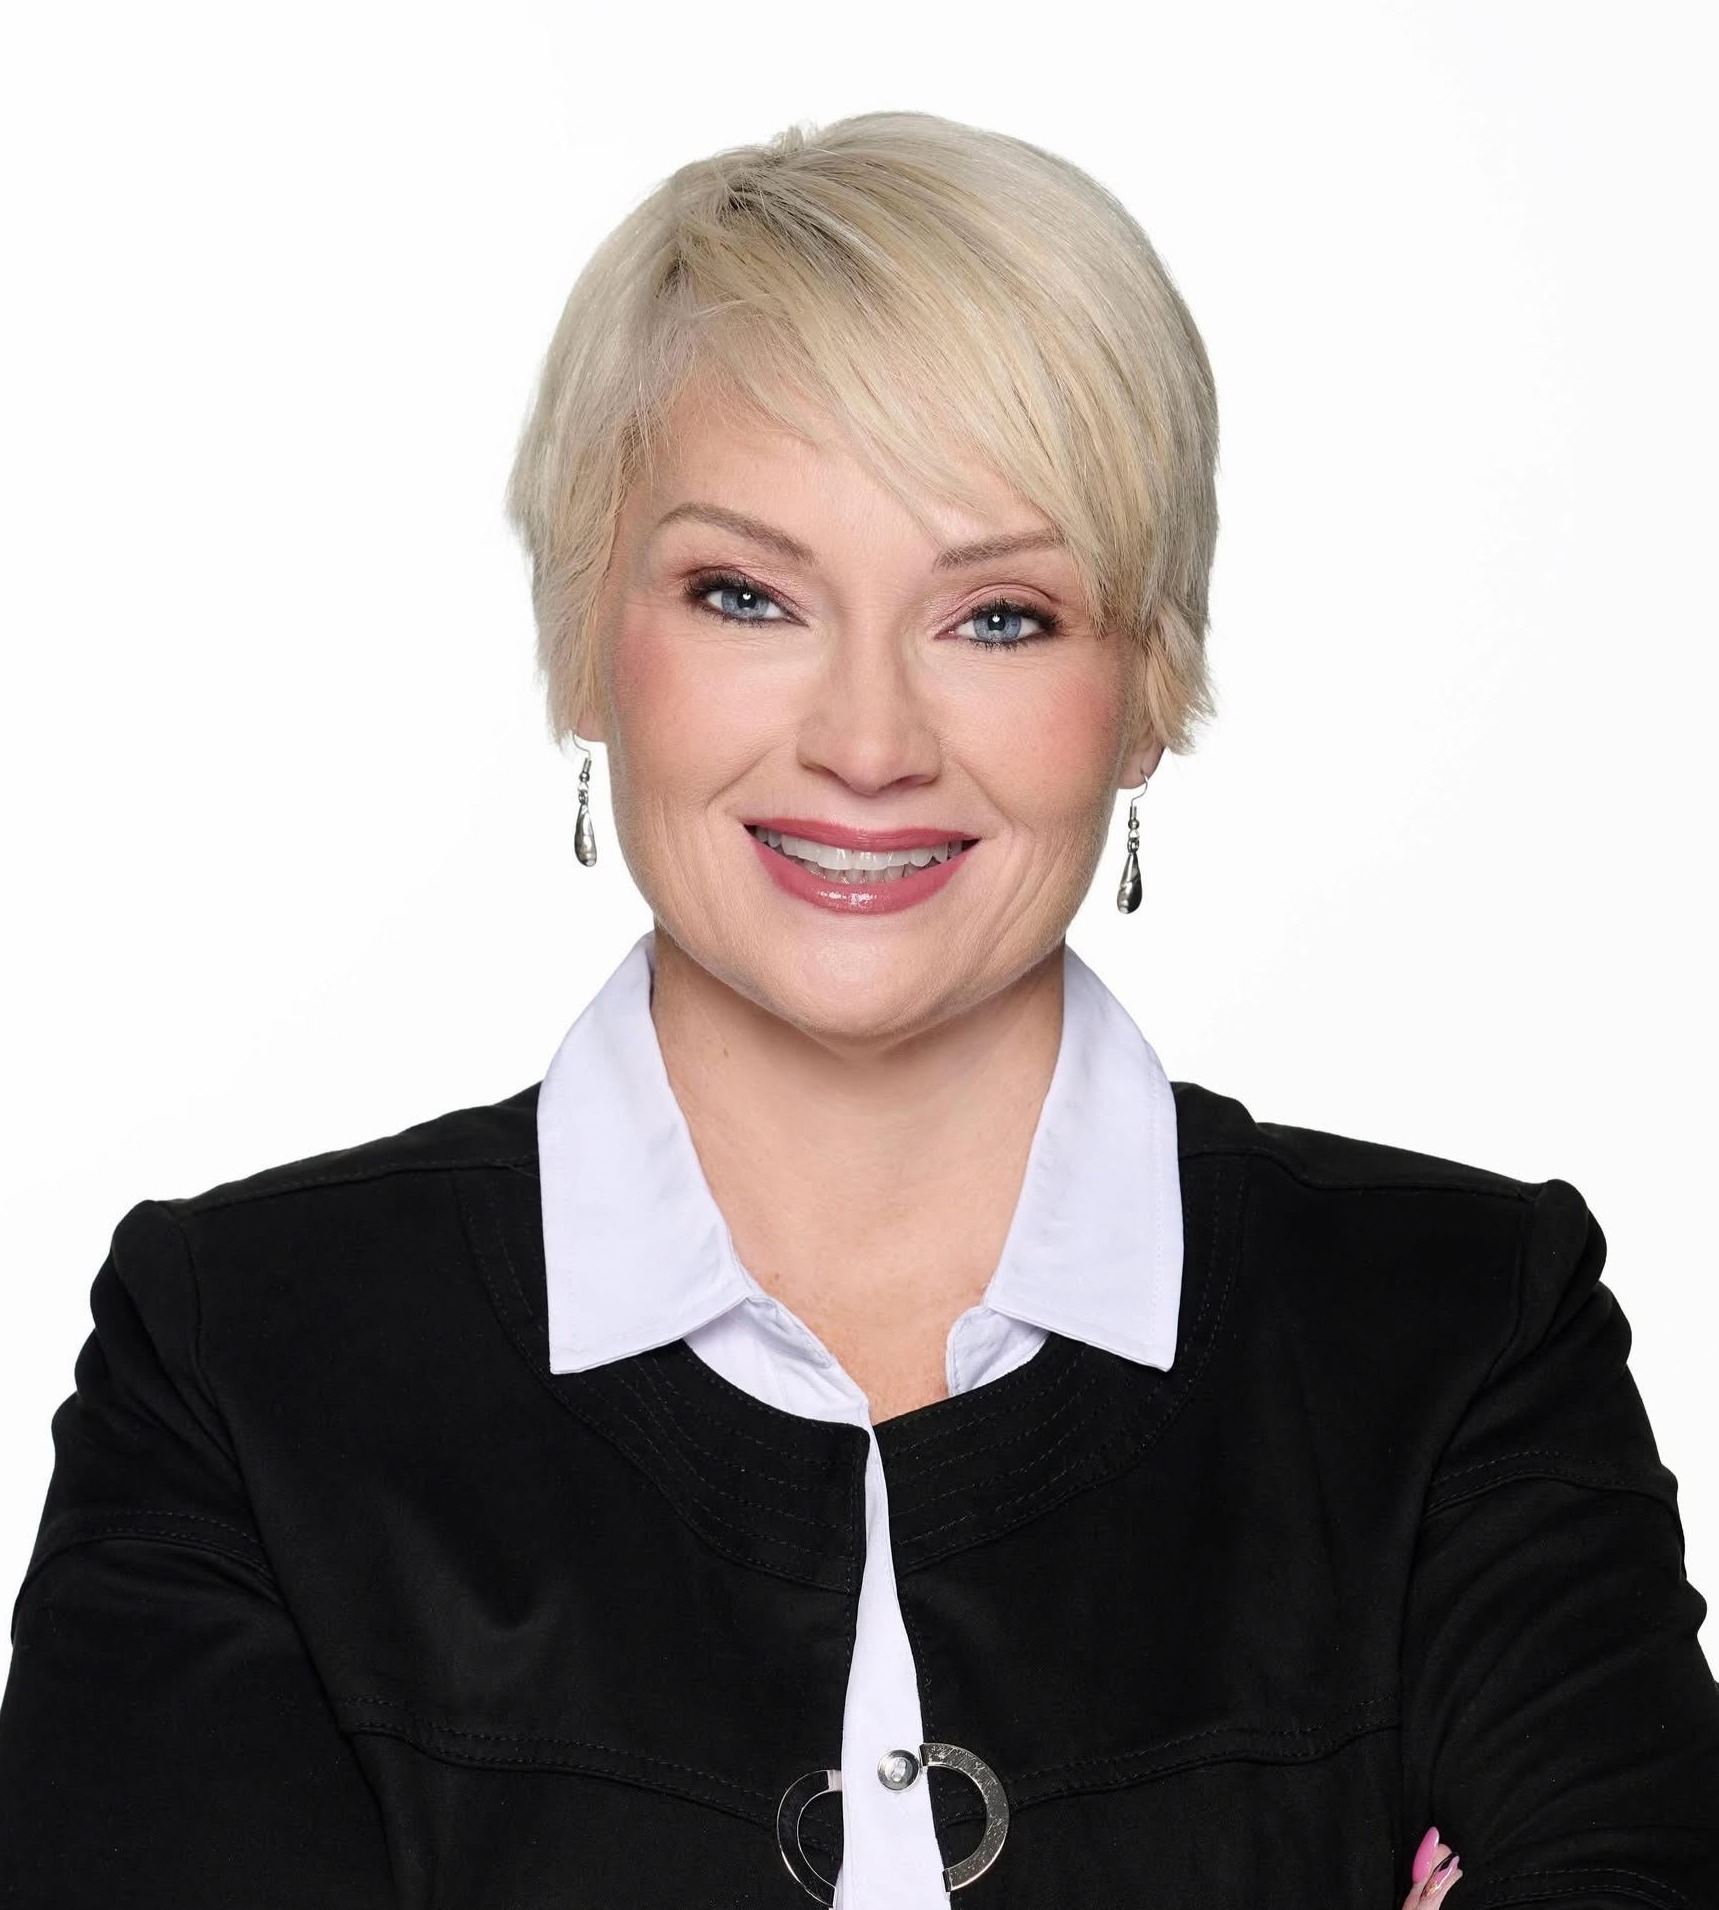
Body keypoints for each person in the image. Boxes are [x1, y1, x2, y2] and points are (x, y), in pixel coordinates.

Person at [1, 109, 1714, 1910]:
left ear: (1147, 685)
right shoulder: (238, 1364)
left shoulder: (1467, 1337)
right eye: (747, 594)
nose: (870, 742)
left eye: (1001, 616)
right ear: (590, 641)